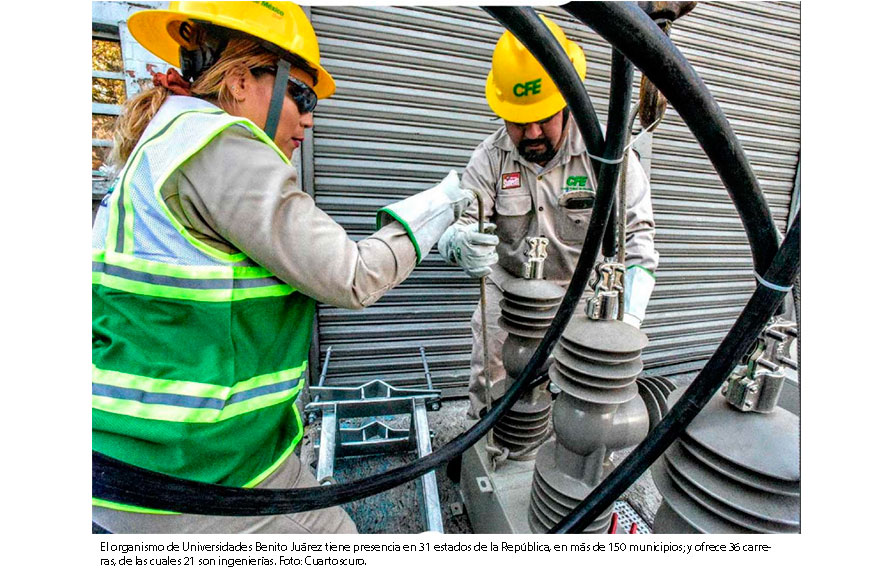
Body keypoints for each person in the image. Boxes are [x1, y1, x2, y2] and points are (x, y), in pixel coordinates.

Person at [92, 1, 476, 534]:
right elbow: (352, 275)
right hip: (180, 475)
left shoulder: (170, 137)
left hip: (193, 455)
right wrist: (439, 206)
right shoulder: (218, 143)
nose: (310, 117)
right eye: (301, 94)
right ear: (242, 79)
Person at [438, 15, 659, 420]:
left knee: (579, 404)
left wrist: (627, 321)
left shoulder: (606, 156)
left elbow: (638, 240)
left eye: (545, 117)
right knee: (492, 387)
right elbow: (462, 218)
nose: (534, 132)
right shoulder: (490, 158)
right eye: (520, 122)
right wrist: (457, 241)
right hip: (506, 298)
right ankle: (482, 452)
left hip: (580, 301)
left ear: (567, 104)